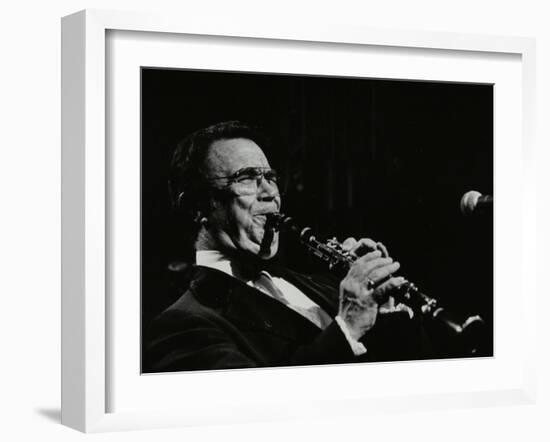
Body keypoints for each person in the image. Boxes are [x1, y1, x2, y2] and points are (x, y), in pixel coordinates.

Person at [143, 121, 428, 373]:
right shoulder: (181, 326)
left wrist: (382, 304)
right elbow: (260, 413)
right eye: (246, 179)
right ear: (197, 206)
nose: (270, 193)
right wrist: (346, 329)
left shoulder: (319, 284)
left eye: (270, 178)